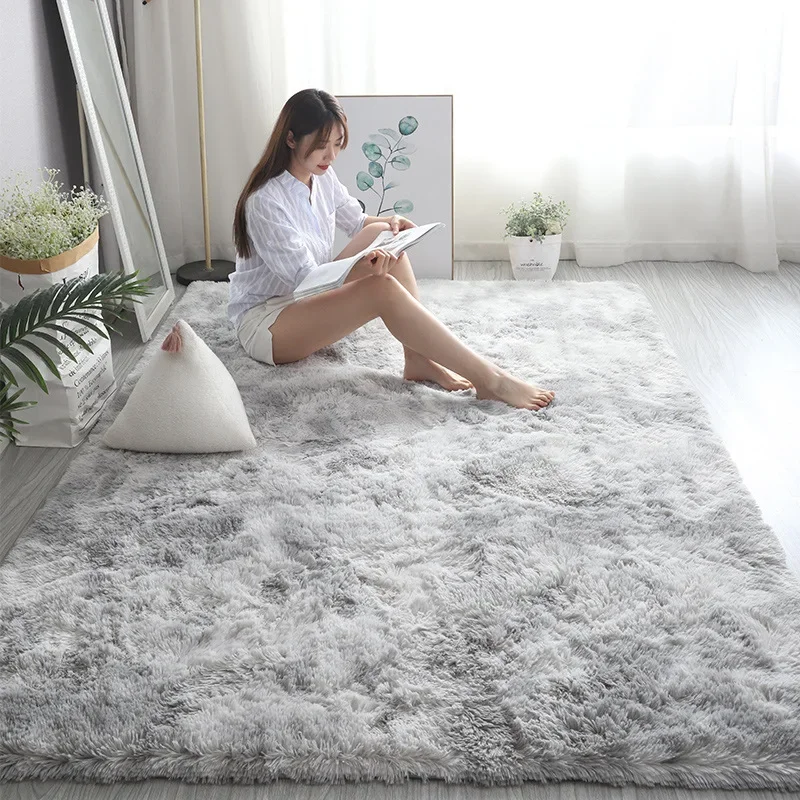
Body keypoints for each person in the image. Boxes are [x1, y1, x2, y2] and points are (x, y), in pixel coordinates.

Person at [230, 88, 555, 411]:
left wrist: (392, 223)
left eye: (337, 144)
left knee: (384, 233)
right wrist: (365, 266)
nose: (330, 156)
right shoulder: (265, 201)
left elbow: (358, 223)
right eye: (321, 146)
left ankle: (418, 359)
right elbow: (305, 280)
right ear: (290, 139)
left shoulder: (321, 177)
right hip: (268, 322)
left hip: (305, 299)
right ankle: (491, 380)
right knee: (380, 288)